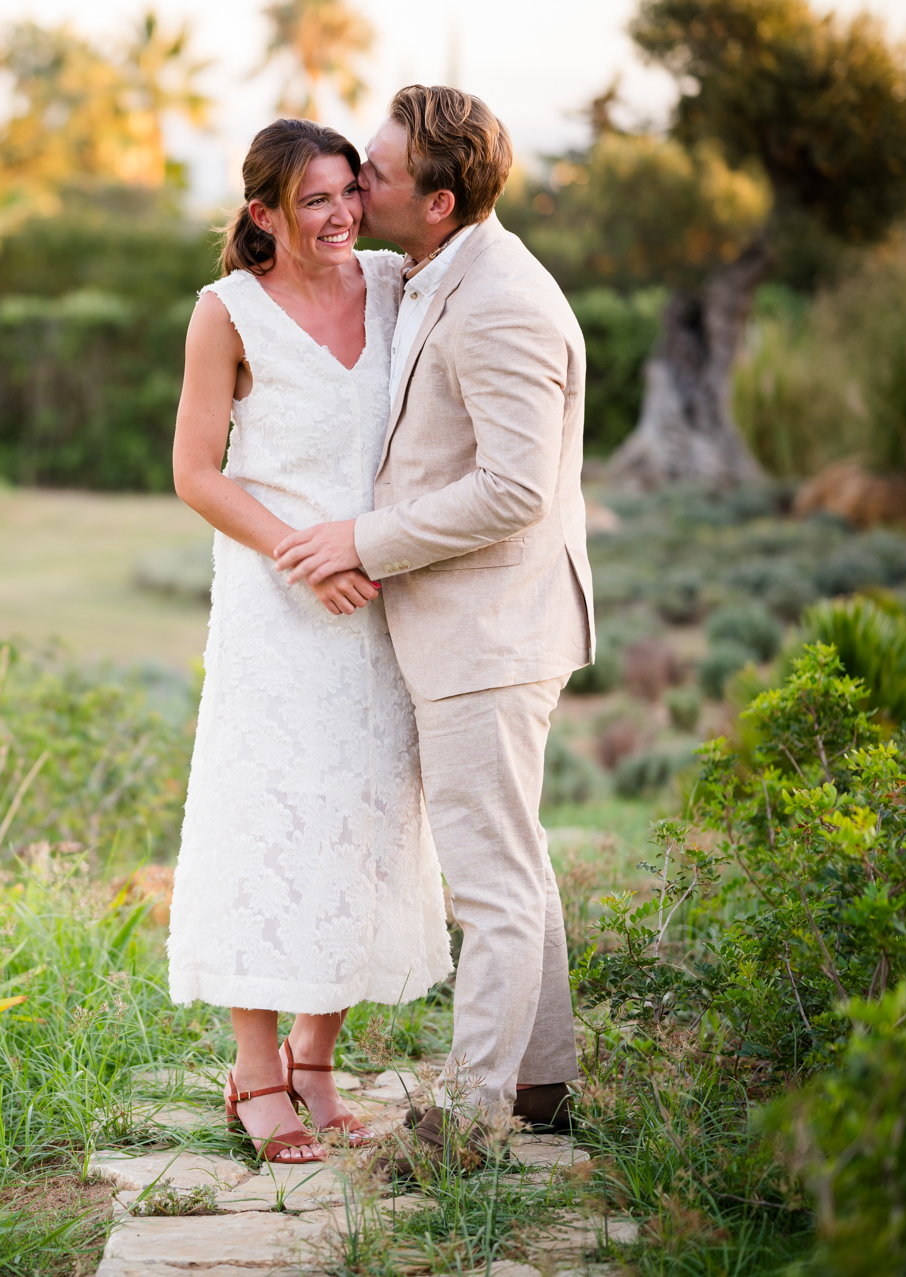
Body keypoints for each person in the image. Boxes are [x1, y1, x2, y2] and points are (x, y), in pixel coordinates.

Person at [274, 86, 596, 1159]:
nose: (359, 187)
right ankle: (541, 1081)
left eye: (376, 173)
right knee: (517, 855)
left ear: (441, 200)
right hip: (474, 625)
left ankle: (467, 1117)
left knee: (489, 880)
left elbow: (515, 489)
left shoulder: (503, 299)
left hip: (491, 630)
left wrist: (364, 539)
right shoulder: (436, 270)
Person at [166, 117, 454, 1166]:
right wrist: (305, 554)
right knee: (267, 819)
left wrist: (364, 553)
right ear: (263, 215)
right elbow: (198, 472)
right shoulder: (226, 312)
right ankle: (253, 1070)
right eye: (316, 201)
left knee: (368, 813)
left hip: (379, 593)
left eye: (348, 192)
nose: (341, 216)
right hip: (276, 602)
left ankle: (318, 1059)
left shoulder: (391, 284)